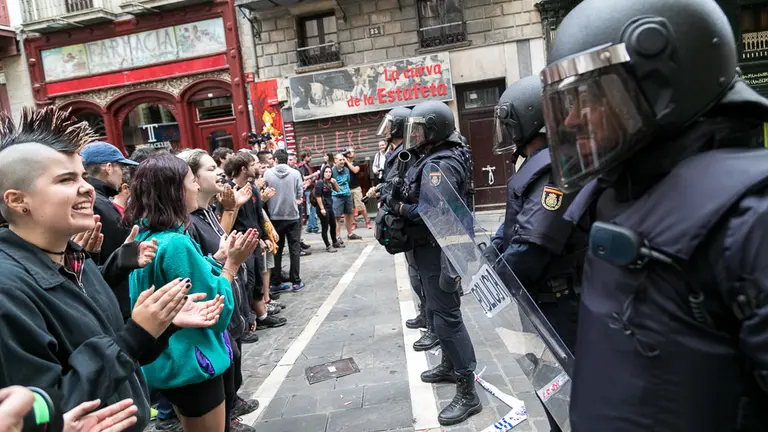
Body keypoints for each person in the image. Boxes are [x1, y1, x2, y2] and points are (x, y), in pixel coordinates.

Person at [540, 0, 768, 430]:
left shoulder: (752, 218)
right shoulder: (622, 192)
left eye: (586, 96)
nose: (570, 119)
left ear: (659, 84)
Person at [0, 107, 222, 432]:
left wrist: (161, 325)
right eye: (66, 179)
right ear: (19, 201)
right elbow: (44, 412)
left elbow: (114, 348)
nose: (87, 188)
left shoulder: (76, 260)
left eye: (81, 176)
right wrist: (137, 335)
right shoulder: (8, 290)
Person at [484, 75, 587, 432]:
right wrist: (490, 257)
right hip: (547, 303)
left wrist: (496, 280)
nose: (507, 130)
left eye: (509, 121)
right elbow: (512, 229)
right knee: (553, 395)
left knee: (565, 402)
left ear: (528, 119)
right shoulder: (544, 163)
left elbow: (531, 247)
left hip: (560, 306)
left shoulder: (553, 168)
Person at [125, 155, 258, 432]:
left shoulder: (146, 236)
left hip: (170, 362)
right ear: (175, 191)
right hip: (193, 363)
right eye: (191, 181)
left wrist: (216, 258)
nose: (197, 187)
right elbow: (214, 309)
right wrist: (232, 264)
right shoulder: (175, 244)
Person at [382, 101, 479, 426]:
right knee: (438, 316)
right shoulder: (434, 157)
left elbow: (432, 212)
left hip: (443, 250)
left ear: (435, 130)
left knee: (448, 319)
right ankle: (450, 367)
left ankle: (469, 392)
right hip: (432, 249)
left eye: (421, 129)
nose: (415, 135)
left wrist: (397, 208)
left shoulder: (442, 164)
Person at [177, 150, 260, 432]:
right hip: (214, 307)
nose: (219, 173)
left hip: (231, 301)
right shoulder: (186, 225)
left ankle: (230, 409)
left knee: (233, 362)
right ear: (193, 179)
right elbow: (209, 266)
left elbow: (222, 247)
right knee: (223, 371)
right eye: (211, 169)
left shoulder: (207, 211)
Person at [374, 106, 438, 351]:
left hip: (412, 221)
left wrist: (389, 196)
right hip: (405, 220)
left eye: (391, 125)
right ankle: (426, 315)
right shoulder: (398, 150)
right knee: (415, 274)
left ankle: (432, 325)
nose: (387, 130)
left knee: (422, 277)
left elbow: (402, 184)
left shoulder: (406, 152)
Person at [263, 149, 305, 291]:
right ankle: (296, 281)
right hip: (292, 215)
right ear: (287, 159)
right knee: (294, 249)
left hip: (274, 216)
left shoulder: (267, 173)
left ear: (275, 159)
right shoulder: (295, 173)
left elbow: (265, 192)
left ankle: (275, 282)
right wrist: (296, 200)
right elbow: (300, 191)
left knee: (277, 250)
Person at [313, 166, 342, 253]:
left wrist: (335, 183)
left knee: (333, 225)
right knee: (325, 227)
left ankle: (334, 242)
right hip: (322, 207)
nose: (328, 173)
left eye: (329, 172)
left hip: (329, 206)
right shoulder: (320, 183)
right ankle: (328, 245)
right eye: (326, 172)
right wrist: (322, 208)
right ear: (323, 173)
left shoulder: (330, 182)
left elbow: (338, 190)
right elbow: (318, 196)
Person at [343, 148, 371, 229]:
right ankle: (353, 223)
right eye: (348, 152)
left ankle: (367, 221)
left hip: (356, 187)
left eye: (351, 151)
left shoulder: (356, 163)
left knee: (361, 206)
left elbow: (355, 170)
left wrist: (347, 161)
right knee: (350, 207)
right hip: (347, 188)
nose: (350, 153)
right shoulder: (343, 163)